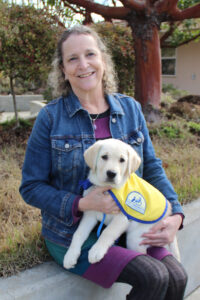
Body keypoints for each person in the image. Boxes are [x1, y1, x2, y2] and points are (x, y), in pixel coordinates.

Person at [20, 25, 187, 299]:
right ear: (63, 69)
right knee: (153, 277)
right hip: (72, 233)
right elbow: (31, 187)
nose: (83, 65)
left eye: (90, 54)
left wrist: (176, 216)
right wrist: (83, 203)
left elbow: (152, 167)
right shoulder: (50, 118)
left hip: (130, 221)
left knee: (177, 277)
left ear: (103, 60)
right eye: (72, 59)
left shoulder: (130, 110)